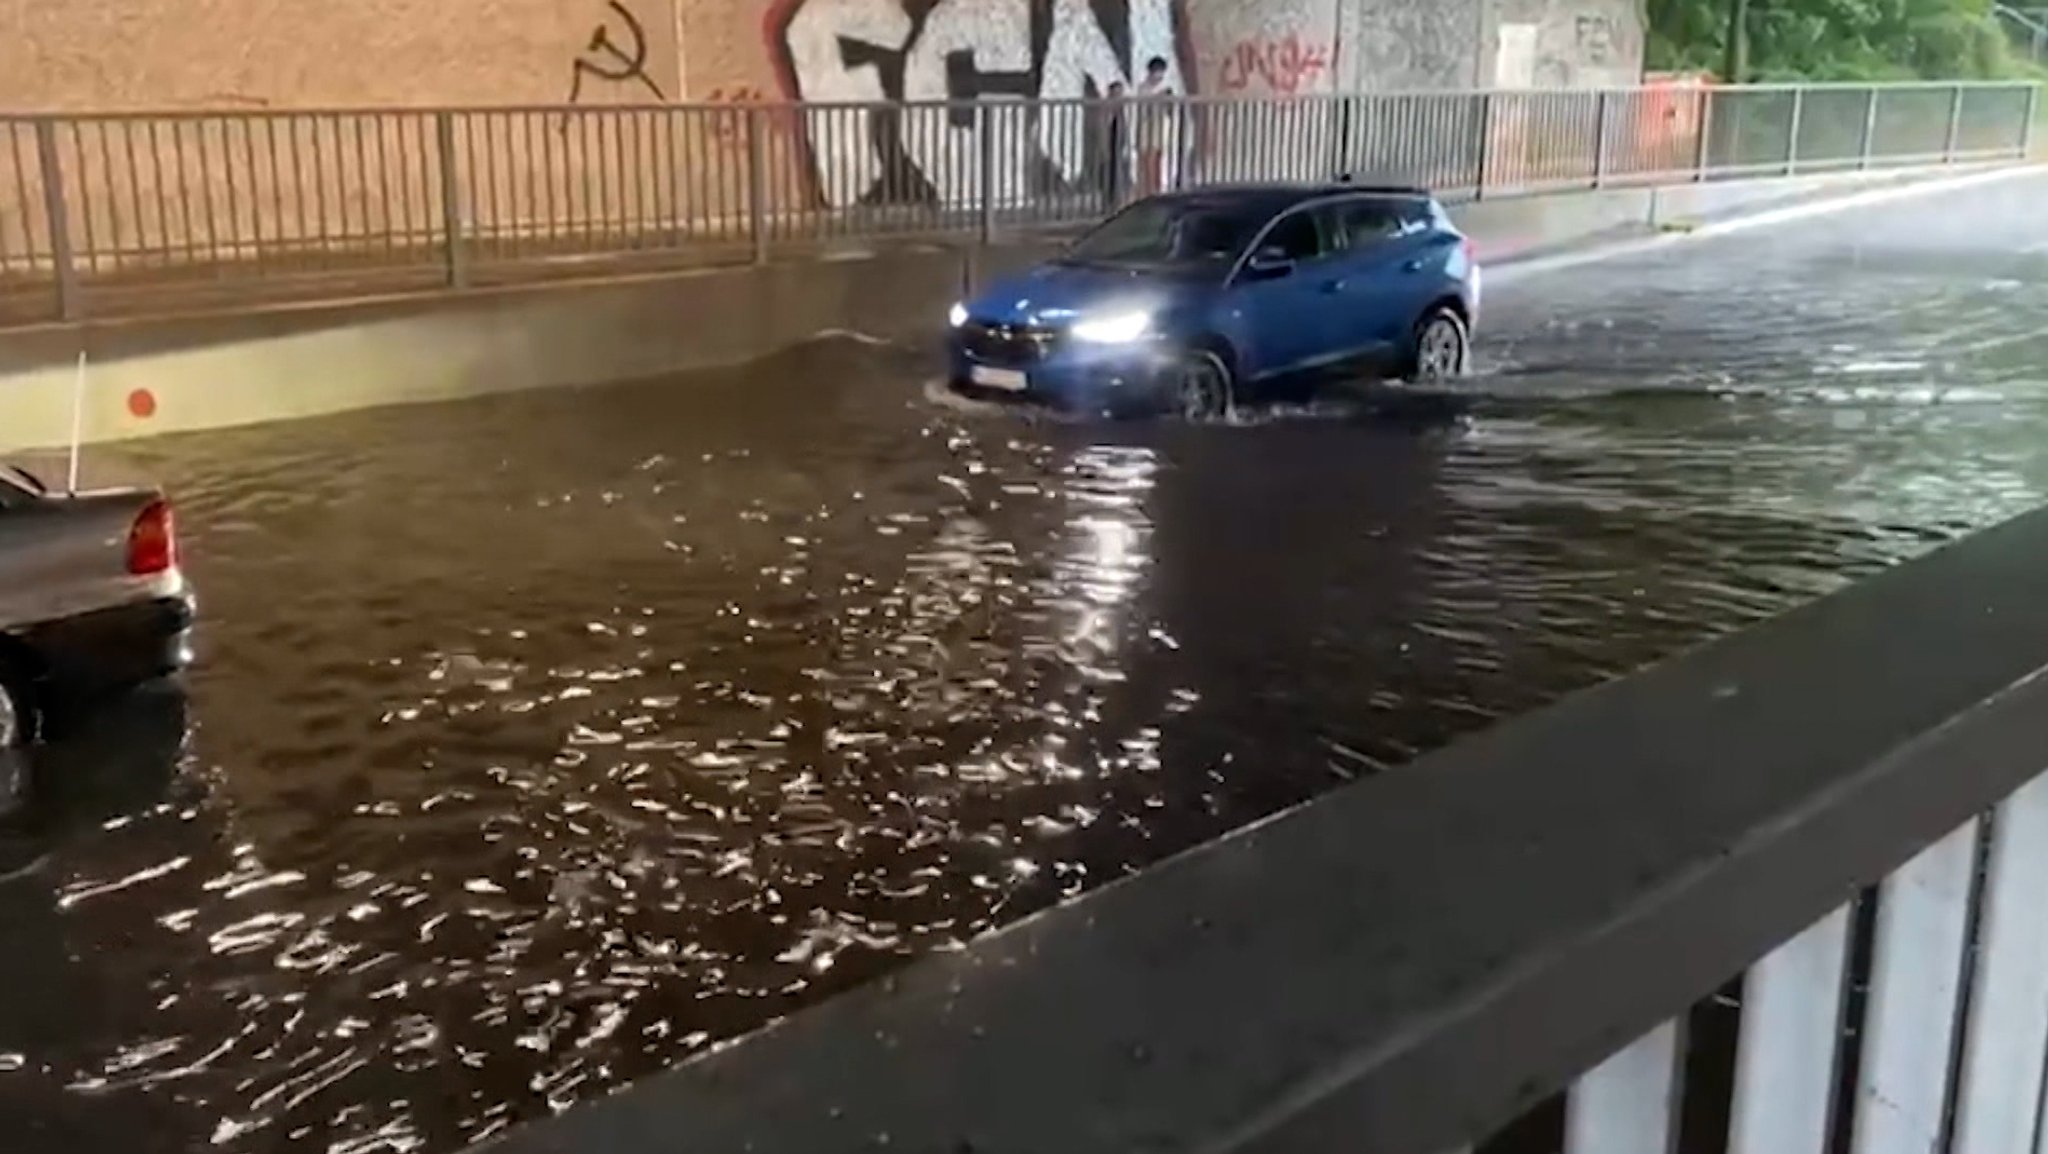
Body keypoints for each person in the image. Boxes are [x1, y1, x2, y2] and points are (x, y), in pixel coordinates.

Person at [1132, 56, 1182, 195]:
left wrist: (1168, 101)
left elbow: (1169, 111)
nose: (1159, 75)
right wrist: (1159, 97)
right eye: (1157, 71)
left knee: (1157, 162)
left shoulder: (1164, 89)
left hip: (1158, 129)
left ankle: (1156, 191)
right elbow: (1144, 108)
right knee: (1146, 162)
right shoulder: (1143, 88)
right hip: (1145, 129)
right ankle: (1145, 191)